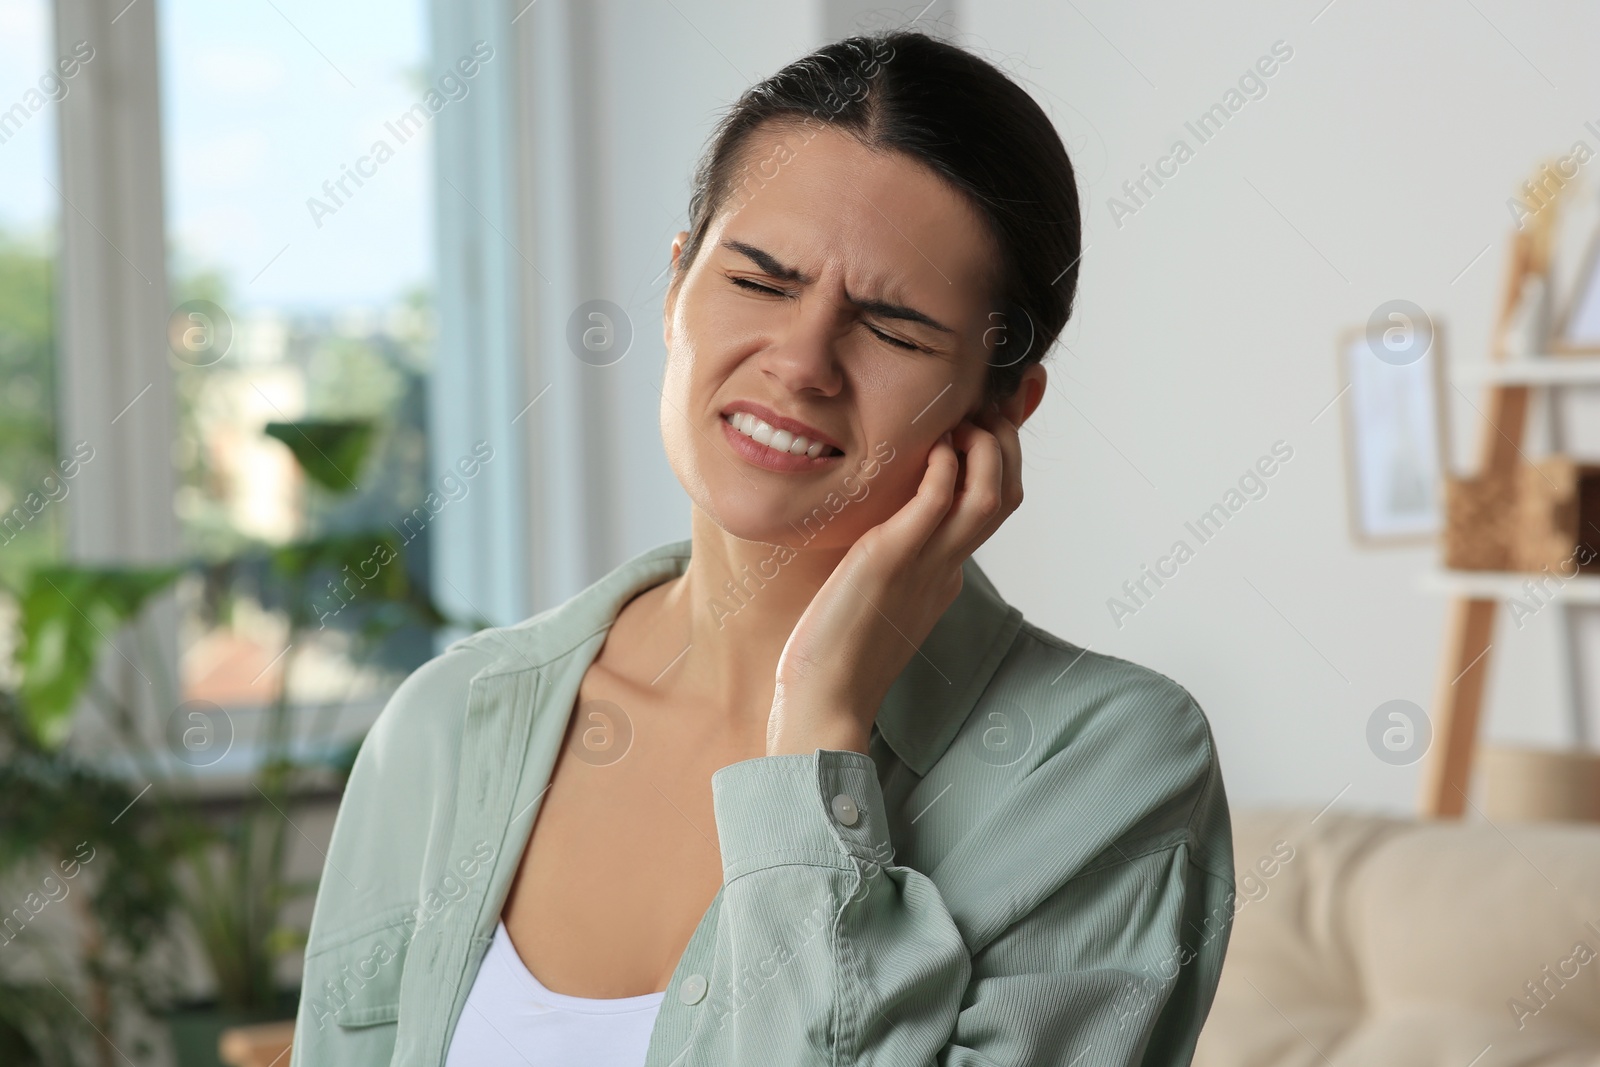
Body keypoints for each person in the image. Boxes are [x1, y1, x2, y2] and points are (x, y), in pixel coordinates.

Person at [291, 28, 1234, 1067]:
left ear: (1002, 403)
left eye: (894, 325)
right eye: (760, 278)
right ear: (674, 287)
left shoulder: (1108, 763)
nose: (800, 360)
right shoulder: (447, 723)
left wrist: (819, 726)